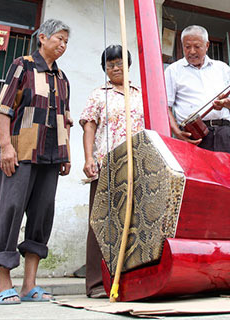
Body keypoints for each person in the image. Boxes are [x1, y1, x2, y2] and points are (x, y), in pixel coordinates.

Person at [0, 19, 72, 305]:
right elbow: (4, 108)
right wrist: (5, 147)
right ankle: (4, 284)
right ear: (43, 38)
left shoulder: (62, 78)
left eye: (66, 41)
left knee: (41, 216)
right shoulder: (22, 66)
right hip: (20, 151)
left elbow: (66, 119)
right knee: (11, 210)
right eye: (58, 39)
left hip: (51, 156)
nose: (62, 45)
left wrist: (66, 153)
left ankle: (29, 285)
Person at [79, 45, 144, 297]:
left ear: (127, 66)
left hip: (137, 165)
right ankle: (96, 283)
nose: (116, 68)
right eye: (110, 65)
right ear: (105, 68)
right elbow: (89, 127)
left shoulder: (139, 94)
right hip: (106, 164)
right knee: (99, 224)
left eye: (119, 63)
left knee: (133, 224)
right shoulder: (99, 94)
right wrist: (88, 158)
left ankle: (129, 281)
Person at [165, 25, 230, 153]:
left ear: (207, 45)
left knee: (227, 173)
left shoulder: (221, 68)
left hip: (223, 133)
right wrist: (178, 133)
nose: (192, 52)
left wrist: (225, 102)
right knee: (196, 173)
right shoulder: (173, 71)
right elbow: (165, 107)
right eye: (187, 47)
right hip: (194, 135)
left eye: (197, 46)